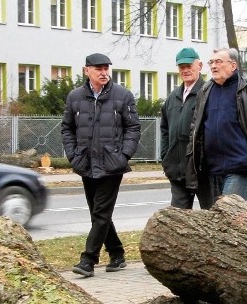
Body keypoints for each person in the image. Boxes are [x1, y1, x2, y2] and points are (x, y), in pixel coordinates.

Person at [61, 53, 141, 277]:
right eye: (99, 69)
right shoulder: (75, 97)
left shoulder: (123, 96)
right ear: (87, 71)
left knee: (100, 213)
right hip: (86, 162)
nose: (104, 72)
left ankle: (88, 260)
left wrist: (123, 155)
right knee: (99, 214)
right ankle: (117, 254)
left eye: (106, 68)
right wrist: (73, 155)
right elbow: (67, 128)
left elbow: (133, 128)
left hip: (111, 164)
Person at [187, 47, 247, 202]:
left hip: (239, 165)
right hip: (210, 169)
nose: (213, 66)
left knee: (229, 216)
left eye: (218, 62)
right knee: (214, 221)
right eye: (211, 62)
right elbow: (195, 127)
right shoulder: (205, 90)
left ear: (233, 65)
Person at [160, 47, 212, 209]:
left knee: (212, 216)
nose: (185, 70)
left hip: (203, 170)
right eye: (182, 67)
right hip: (177, 170)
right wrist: (166, 156)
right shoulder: (173, 97)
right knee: (178, 221)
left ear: (200, 66)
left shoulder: (209, 93)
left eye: (189, 66)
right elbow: (165, 130)